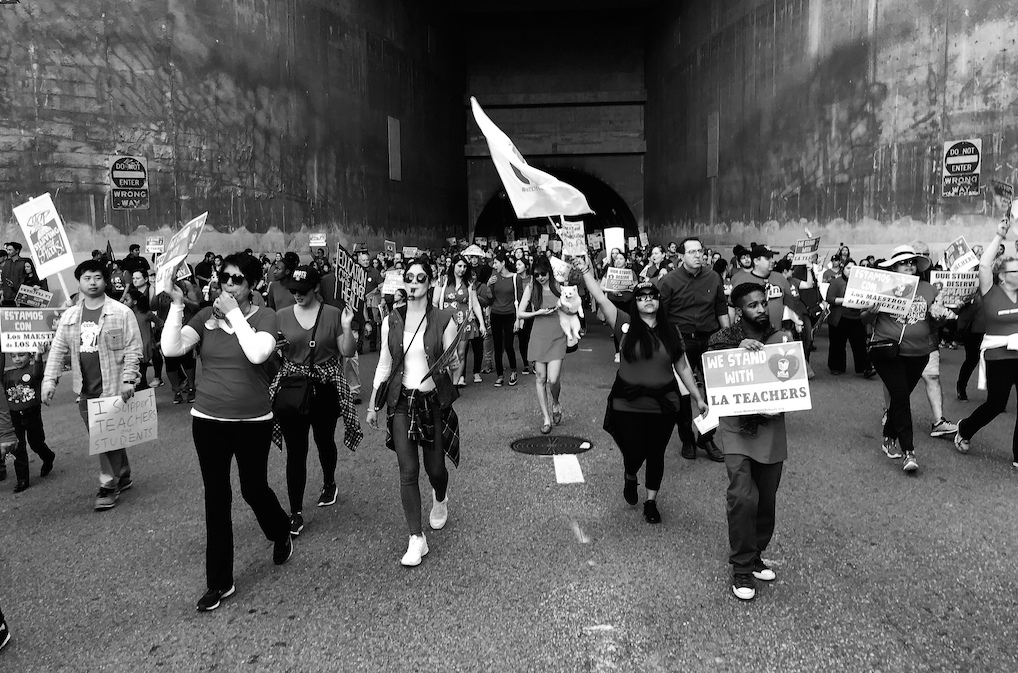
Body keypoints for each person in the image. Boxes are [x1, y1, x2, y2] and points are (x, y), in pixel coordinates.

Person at [161, 253, 293, 612]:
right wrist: (177, 306)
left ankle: (280, 530)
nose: (229, 284)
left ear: (252, 286)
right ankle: (220, 582)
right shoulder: (205, 317)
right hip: (208, 419)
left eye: (237, 280)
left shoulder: (265, 316)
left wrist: (234, 314)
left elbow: (257, 354)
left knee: (253, 488)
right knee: (216, 497)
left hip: (252, 421)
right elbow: (172, 348)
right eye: (225, 278)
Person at [579, 258, 705, 523]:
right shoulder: (624, 323)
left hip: (663, 402)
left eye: (653, 296)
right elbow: (601, 298)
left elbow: (682, 367)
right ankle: (630, 474)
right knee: (634, 451)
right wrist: (587, 272)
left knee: (656, 452)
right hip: (628, 402)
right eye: (642, 297)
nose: (648, 300)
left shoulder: (671, 331)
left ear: (659, 301)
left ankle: (651, 501)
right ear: (635, 303)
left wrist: (697, 396)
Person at [366, 259, 460, 567]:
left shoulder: (444, 319)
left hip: (431, 401)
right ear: (404, 283)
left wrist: (452, 362)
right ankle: (416, 538)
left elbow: (452, 361)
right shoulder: (391, 320)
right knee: (408, 471)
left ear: (430, 282)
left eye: (421, 277)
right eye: (410, 277)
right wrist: (372, 404)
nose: (415, 282)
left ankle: (441, 497)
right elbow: (384, 363)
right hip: (402, 403)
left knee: (435, 470)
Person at [708, 283, 793, 601]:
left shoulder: (780, 338)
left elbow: (792, 377)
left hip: (771, 429)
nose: (760, 309)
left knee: (766, 499)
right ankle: (741, 566)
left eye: (763, 303)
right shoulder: (725, 339)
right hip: (735, 428)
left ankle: (756, 554)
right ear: (738, 309)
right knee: (743, 497)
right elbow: (712, 359)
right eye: (752, 305)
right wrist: (735, 349)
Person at [42, 260, 142, 510]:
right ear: (79, 282)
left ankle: (108, 485)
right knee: (105, 436)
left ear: (105, 281)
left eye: (97, 277)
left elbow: (133, 348)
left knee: (104, 438)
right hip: (85, 390)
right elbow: (57, 351)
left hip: (114, 386)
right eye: (87, 278)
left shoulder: (121, 312)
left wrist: (129, 378)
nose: (93, 282)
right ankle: (124, 474)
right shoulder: (70, 315)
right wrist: (49, 381)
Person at [271, 266, 361, 536]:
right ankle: (295, 511)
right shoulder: (281, 316)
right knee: (296, 451)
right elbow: (273, 352)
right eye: (293, 291)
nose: (297, 295)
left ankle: (329, 482)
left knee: (324, 440)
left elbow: (347, 351)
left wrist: (346, 328)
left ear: (316, 289)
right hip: (293, 386)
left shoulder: (333, 314)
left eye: (303, 291)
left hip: (325, 386)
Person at [861, 245, 947, 473]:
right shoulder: (884, 287)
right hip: (888, 351)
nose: (909, 266)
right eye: (904, 262)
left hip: (919, 353)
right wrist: (872, 310)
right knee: (901, 397)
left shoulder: (928, 289)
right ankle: (909, 451)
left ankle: (888, 436)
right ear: (894, 267)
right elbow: (864, 319)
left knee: (899, 399)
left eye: (912, 263)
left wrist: (942, 315)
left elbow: (935, 321)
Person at [658, 237, 729, 461]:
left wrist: (728, 338)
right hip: (682, 341)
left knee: (714, 391)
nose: (698, 255)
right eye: (692, 252)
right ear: (681, 256)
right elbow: (662, 315)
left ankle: (706, 438)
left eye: (700, 251)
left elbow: (721, 309)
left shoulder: (713, 277)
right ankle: (687, 438)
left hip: (709, 338)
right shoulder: (669, 281)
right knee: (683, 393)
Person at [956, 219, 1018, 465]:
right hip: (999, 356)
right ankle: (965, 429)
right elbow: (983, 264)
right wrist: (999, 235)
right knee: (996, 404)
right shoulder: (991, 291)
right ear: (1002, 276)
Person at [517, 256, 567, 433]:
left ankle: (555, 402)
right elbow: (520, 312)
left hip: (557, 334)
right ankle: (546, 418)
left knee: (553, 379)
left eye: (543, 274)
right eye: (536, 274)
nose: (540, 277)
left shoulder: (559, 285)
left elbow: (572, 306)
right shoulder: (531, 287)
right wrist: (537, 312)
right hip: (538, 335)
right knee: (540, 377)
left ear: (550, 271)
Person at [3, 344, 56, 492]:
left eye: (21, 355)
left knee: (36, 442)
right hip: (14, 417)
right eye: (13, 356)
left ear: (29, 355)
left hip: (32, 414)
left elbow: (38, 373)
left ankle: (48, 457)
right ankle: (22, 479)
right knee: (18, 448)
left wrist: (38, 356)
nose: (17, 359)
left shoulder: (32, 370)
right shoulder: (7, 375)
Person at [433, 256, 485, 387]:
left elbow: (476, 304)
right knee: (449, 352)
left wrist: (482, 323)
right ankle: (448, 381)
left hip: (465, 321)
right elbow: (434, 301)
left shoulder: (469, 282)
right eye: (459, 266)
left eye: (464, 267)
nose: (462, 269)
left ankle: (455, 384)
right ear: (453, 266)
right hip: (446, 321)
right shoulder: (443, 280)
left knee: (461, 353)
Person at [153, 278, 201, 404]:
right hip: (167, 329)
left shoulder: (186, 285)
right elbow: (153, 305)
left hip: (185, 328)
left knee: (188, 361)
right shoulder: (162, 284)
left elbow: (196, 306)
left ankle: (191, 388)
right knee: (170, 363)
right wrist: (156, 288)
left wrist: (179, 299)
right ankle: (177, 391)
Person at [825, 261, 874, 377]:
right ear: (843, 269)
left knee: (860, 345)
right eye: (848, 268)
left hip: (856, 317)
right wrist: (847, 299)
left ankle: (865, 368)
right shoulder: (836, 282)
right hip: (839, 317)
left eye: (853, 268)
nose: (850, 271)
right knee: (837, 344)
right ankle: (836, 367)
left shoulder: (861, 283)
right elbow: (830, 299)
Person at [487, 250, 521, 387]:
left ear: (503, 263)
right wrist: (488, 284)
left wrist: (519, 318)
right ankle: (499, 375)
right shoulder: (494, 277)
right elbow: (489, 297)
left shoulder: (515, 277)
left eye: (496, 263)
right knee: (497, 345)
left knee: (508, 344)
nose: (494, 266)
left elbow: (519, 298)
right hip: (495, 313)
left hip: (510, 314)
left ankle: (513, 371)